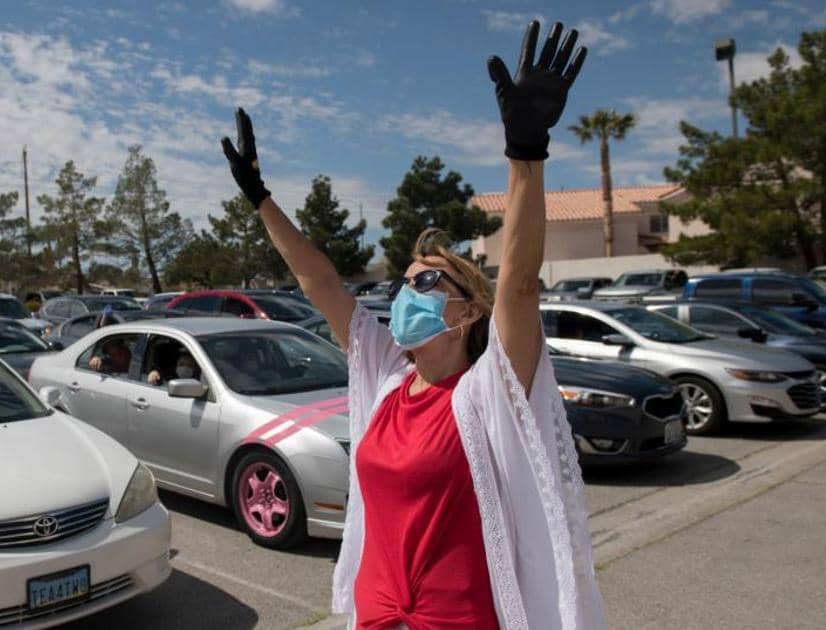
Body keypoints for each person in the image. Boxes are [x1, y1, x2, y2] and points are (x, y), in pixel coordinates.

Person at [219, 21, 603, 630]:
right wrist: (260, 198)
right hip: (376, 615)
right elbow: (321, 284)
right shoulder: (386, 380)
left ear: (468, 311)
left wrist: (526, 154)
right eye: (403, 283)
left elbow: (520, 284)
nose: (405, 294)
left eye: (427, 283)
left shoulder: (490, 393)